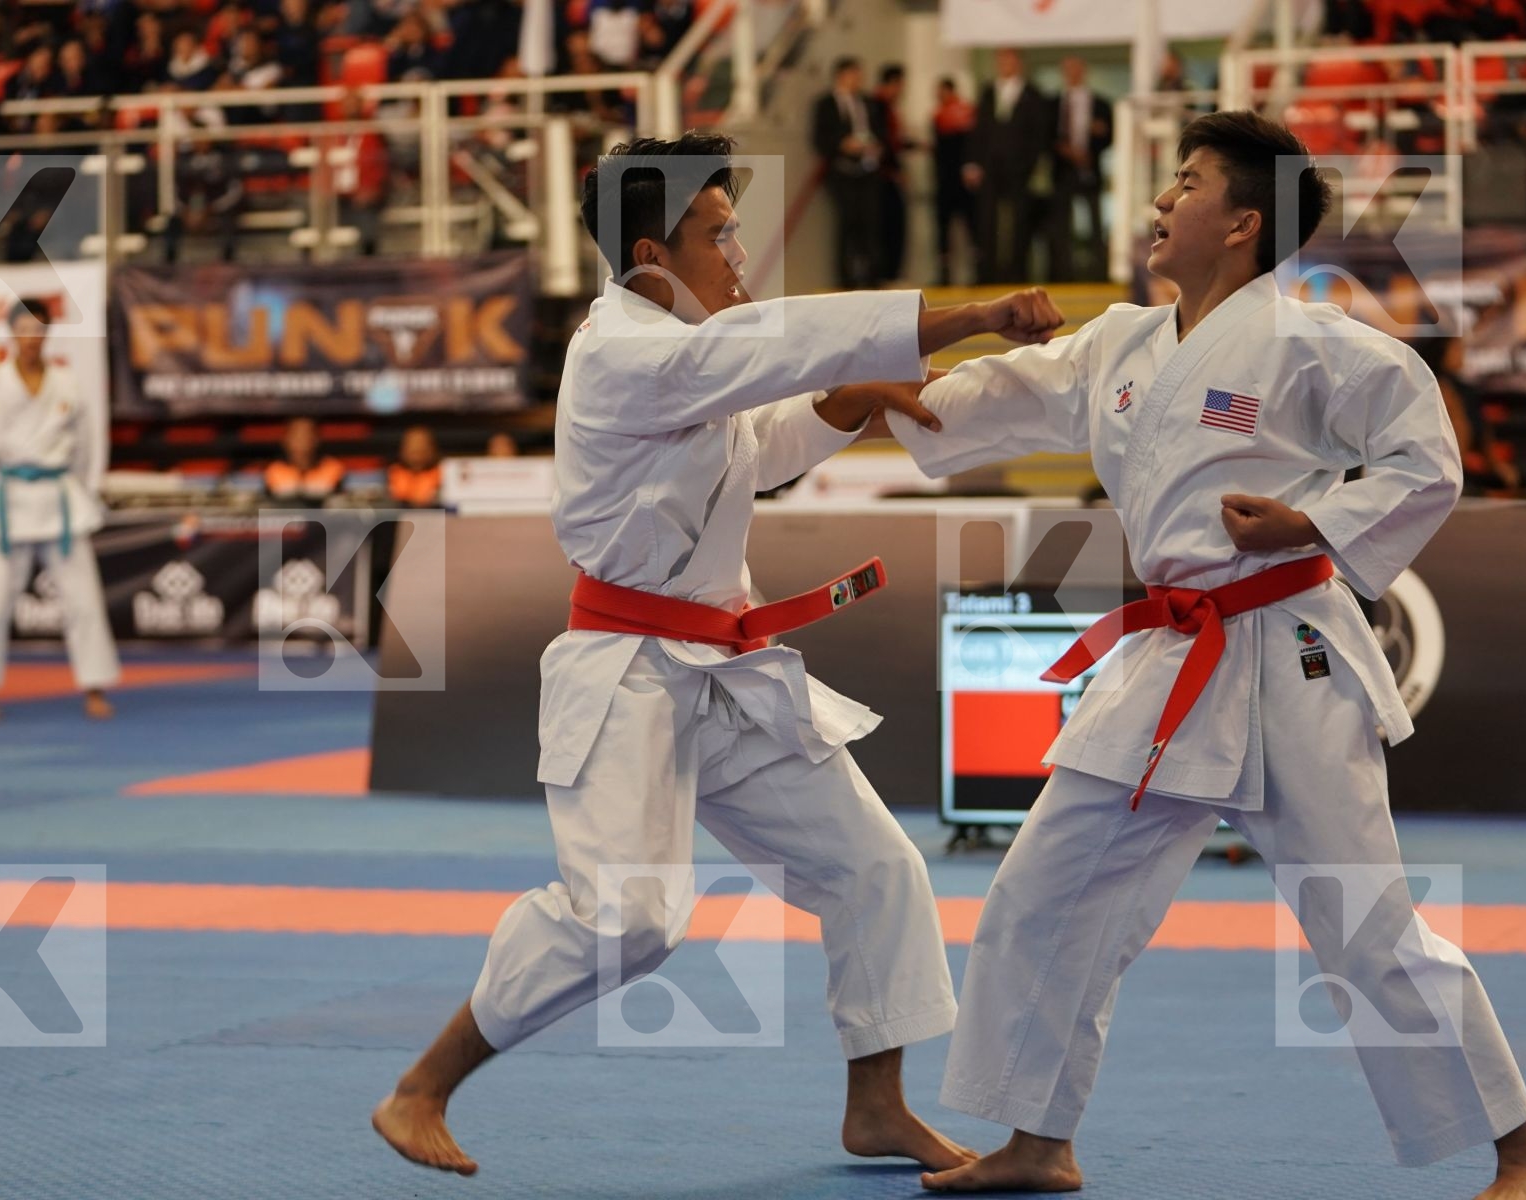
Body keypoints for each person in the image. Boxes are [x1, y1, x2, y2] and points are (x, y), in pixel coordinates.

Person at [889, 111, 1526, 1200]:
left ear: (1245, 223)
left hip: (1288, 651)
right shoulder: (1120, 343)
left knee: (1362, 920)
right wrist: (876, 391)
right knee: (1044, 887)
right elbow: (993, 401)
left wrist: (1311, 527)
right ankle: (1039, 1138)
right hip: (1171, 658)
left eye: (1187, 183)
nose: (1162, 200)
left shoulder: (1320, 345)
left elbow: (1427, 463)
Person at [371, 130, 1065, 1178]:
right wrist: (969, 315)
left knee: (876, 867)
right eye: (717, 234)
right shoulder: (624, 352)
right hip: (626, 674)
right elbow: (777, 348)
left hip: (725, 673)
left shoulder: (687, 357)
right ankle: (422, 1086)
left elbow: (768, 442)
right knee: (630, 921)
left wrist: (852, 398)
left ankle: (876, 1106)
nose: (738, 253)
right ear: (652, 256)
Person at [0, 299, 120, 722]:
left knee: (83, 600)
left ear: (47, 334)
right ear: (12, 333)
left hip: (58, 499)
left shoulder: (67, 384)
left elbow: (86, 448)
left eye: (38, 330)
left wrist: (79, 491)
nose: (31, 338)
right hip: (9, 499)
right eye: (23, 329)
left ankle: (94, 685)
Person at [965, 48, 1052, 284]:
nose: (1004, 64)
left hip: (1019, 169)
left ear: (1019, 63)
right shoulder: (988, 92)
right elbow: (979, 130)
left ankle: (1017, 273)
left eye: (1009, 60)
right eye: (1001, 60)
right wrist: (974, 162)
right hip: (990, 167)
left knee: (1020, 222)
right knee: (987, 220)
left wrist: (1028, 164)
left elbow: (1039, 135)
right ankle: (988, 273)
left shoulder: (1032, 95)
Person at [812, 57, 885, 288]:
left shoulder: (868, 102)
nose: (858, 80)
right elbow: (820, 138)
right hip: (842, 171)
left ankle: (872, 276)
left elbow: (879, 130)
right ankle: (846, 278)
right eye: (854, 75)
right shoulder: (826, 103)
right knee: (847, 223)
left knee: (871, 223)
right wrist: (843, 144)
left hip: (868, 169)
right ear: (841, 76)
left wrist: (875, 146)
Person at [1047, 55, 1112, 282]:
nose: (1073, 73)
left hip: (1090, 170)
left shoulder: (1101, 104)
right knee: (1061, 225)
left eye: (1076, 69)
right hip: (1062, 171)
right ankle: (1063, 275)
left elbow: (1111, 135)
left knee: (1095, 223)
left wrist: (1098, 137)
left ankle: (1098, 274)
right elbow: (1045, 137)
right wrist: (1064, 150)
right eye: (1068, 69)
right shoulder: (1053, 104)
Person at [931, 77, 978, 287]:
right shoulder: (938, 115)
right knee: (945, 228)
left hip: (960, 181)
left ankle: (977, 271)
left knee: (970, 226)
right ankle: (945, 272)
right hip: (945, 180)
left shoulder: (964, 112)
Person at [872, 64, 911, 285]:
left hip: (888, 173)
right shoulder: (878, 106)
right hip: (884, 176)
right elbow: (884, 142)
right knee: (890, 225)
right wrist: (895, 171)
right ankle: (887, 275)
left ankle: (891, 274)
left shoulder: (889, 107)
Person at [265, 416, 346, 501]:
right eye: (296, 435)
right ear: (286, 440)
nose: (302, 441)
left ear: (317, 438)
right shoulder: (274, 470)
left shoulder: (333, 468)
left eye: (307, 434)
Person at [387, 425, 443, 507]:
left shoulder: (443, 473)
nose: (417, 449)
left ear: (432, 448)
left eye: (422, 445)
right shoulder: (394, 473)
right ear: (402, 449)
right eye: (412, 445)